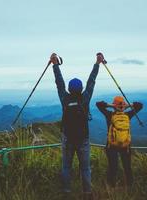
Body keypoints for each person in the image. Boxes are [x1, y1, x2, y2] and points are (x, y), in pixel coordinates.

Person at [51, 52, 105, 200]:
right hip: (83, 139)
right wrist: (97, 63)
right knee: (85, 168)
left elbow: (59, 82)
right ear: (81, 89)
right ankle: (87, 193)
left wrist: (55, 64)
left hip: (68, 138)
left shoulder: (64, 98)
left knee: (66, 167)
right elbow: (91, 81)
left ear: (69, 89)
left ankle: (66, 192)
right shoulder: (85, 98)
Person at [96, 96, 143, 187]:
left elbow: (99, 104)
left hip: (111, 146)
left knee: (113, 167)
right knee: (127, 167)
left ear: (114, 104)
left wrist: (112, 105)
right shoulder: (128, 115)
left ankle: (111, 187)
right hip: (125, 145)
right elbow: (140, 106)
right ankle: (130, 187)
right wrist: (127, 106)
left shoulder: (109, 115)